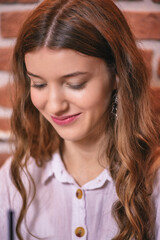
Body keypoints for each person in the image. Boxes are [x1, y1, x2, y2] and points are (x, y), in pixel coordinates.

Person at [0, 0, 160, 239]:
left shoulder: (154, 184)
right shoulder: (16, 178)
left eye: (75, 84)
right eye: (39, 84)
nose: (54, 105)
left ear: (117, 74)